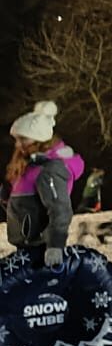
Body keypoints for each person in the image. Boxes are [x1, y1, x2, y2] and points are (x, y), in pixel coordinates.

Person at [8, 101, 77, 266]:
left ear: (39, 140)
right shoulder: (29, 167)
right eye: (17, 139)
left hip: (41, 249)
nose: (17, 145)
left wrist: (55, 245)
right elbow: (23, 205)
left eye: (23, 139)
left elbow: (59, 209)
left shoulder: (48, 171)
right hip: (26, 246)